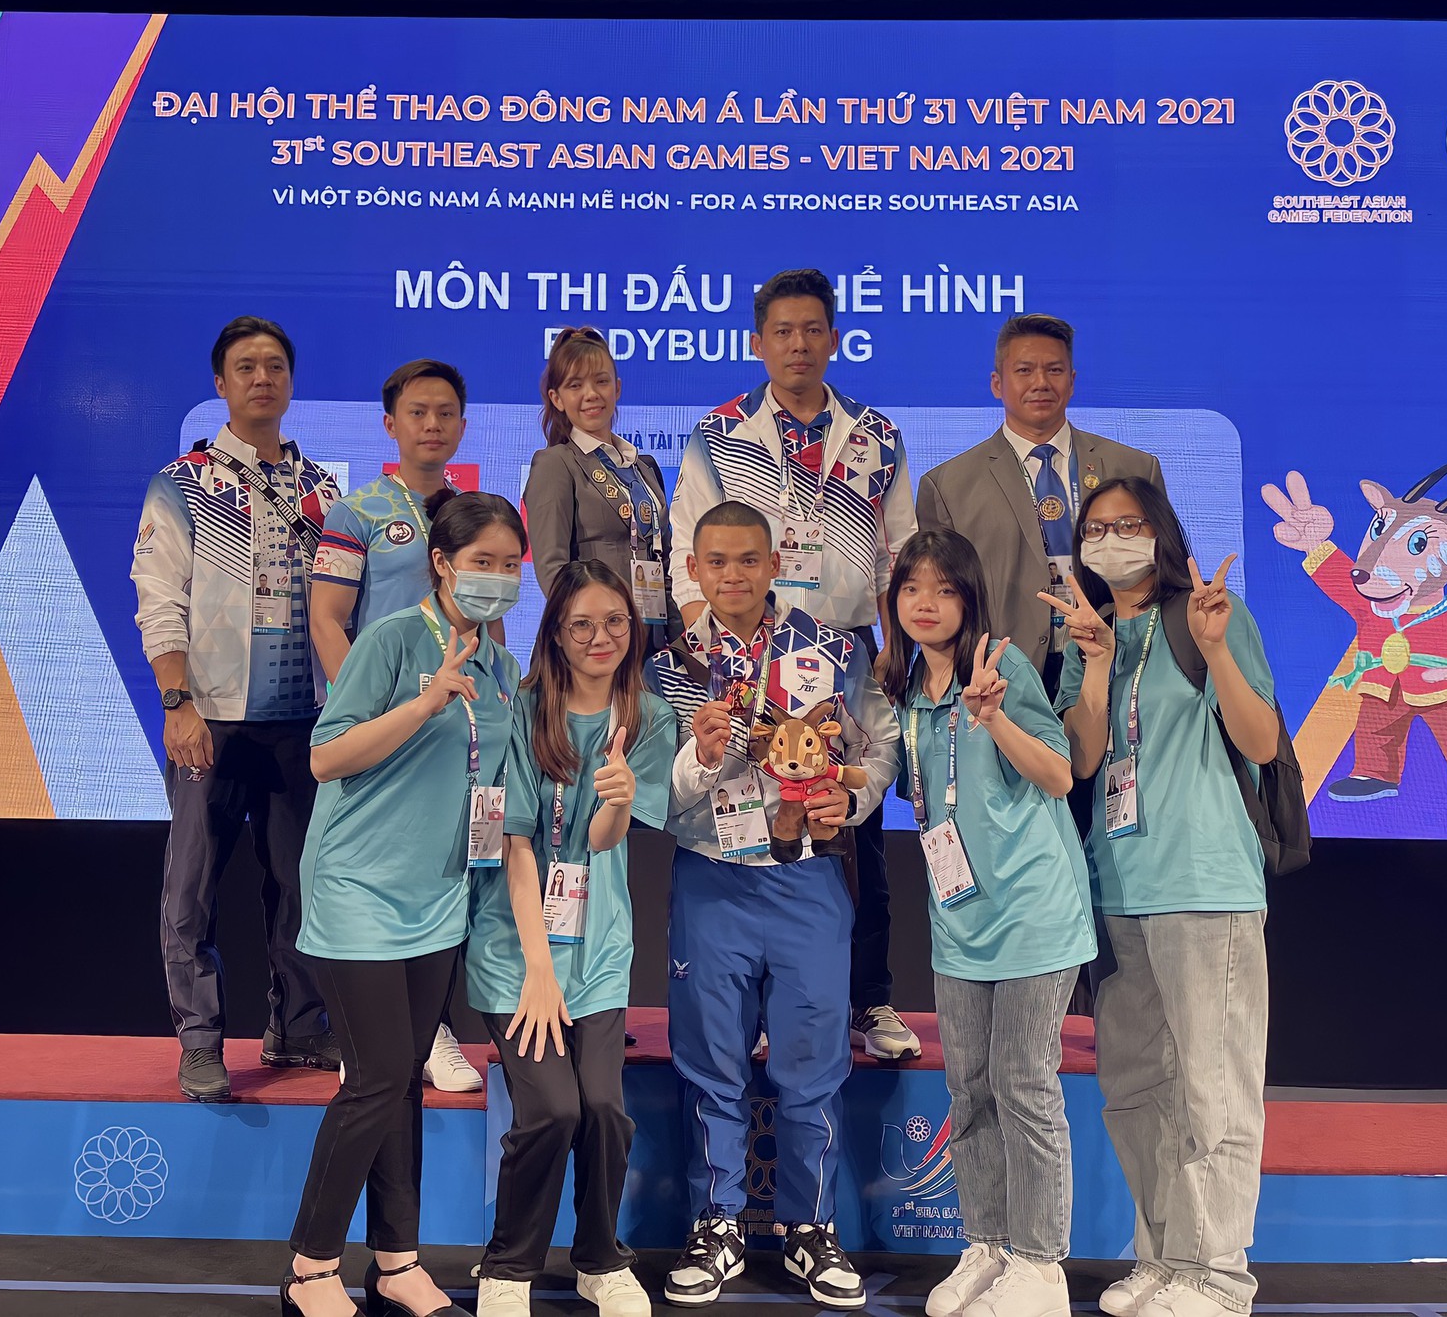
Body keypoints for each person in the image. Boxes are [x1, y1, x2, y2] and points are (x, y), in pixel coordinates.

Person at [645, 501, 900, 1310]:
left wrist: (850, 803)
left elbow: (880, 749)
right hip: (712, 877)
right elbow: (657, 792)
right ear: (694, 568)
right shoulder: (668, 666)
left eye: (748, 560)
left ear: (774, 560)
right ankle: (716, 1224)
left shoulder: (830, 649)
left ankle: (809, 1229)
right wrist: (700, 755)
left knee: (810, 1067)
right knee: (712, 1065)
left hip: (807, 881)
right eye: (716, 561)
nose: (733, 576)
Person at [284, 493, 527, 1317]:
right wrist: (423, 704)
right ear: (441, 562)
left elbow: (497, 779)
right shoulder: (391, 639)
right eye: (482, 561)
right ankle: (310, 1270)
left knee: (401, 1086)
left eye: (508, 564)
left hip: (438, 899)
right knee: (379, 1075)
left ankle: (397, 1263)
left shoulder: (503, 665)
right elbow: (326, 757)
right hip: (358, 889)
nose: (495, 578)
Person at [668, 268, 921, 1063]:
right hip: (750, 656)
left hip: (841, 660)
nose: (798, 344)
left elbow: (899, 557)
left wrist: (892, 659)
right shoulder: (719, 433)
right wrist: (719, 657)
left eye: (813, 330)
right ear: (758, 342)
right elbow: (685, 556)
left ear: (833, 338)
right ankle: (765, 1010)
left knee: (855, 836)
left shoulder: (876, 435)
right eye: (782, 331)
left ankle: (869, 1000)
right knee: (757, 829)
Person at [1050, 480, 1280, 1317]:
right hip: (1118, 883)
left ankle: (1217, 1273)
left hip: (1205, 880)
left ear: (1164, 534)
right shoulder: (1092, 632)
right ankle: (1163, 1258)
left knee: (1212, 1085)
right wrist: (1096, 664)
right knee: (1139, 1084)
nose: (1113, 540)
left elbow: (1261, 741)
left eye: (1130, 525)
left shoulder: (1211, 615)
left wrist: (1218, 651)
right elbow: (1083, 762)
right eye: (1097, 529)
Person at [875, 530, 1095, 1317]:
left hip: (1034, 912)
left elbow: (1059, 772)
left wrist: (995, 718)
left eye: (943, 588)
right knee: (967, 1089)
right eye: (910, 590)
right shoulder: (903, 694)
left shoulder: (998, 665)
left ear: (968, 599)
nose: (925, 603)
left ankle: (1041, 1265)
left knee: (1022, 1082)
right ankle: (989, 1245)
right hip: (959, 920)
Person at [133, 316, 343, 1102]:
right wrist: (177, 701)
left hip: (301, 724)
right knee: (191, 890)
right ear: (220, 384)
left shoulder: (322, 491)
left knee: (302, 885)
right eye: (246, 367)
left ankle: (299, 1028)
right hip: (211, 719)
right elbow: (158, 601)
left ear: (290, 383)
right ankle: (200, 1041)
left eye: (276, 366)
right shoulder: (181, 483)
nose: (263, 377)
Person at [467, 560, 677, 1317]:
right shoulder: (525, 713)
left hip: (598, 947)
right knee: (551, 1109)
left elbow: (601, 839)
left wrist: (617, 800)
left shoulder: (649, 717)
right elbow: (517, 843)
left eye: (615, 623)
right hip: (516, 946)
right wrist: (536, 969)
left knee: (603, 1110)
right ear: (555, 631)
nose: (600, 638)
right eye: (582, 624)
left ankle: (599, 1259)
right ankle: (508, 1268)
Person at [310, 357, 486, 1093]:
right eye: (418, 412)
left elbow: (487, 621)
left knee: (447, 875)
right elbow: (326, 616)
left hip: (453, 730)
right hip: (381, 730)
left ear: (462, 426)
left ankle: (433, 1028)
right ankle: (362, 1033)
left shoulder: (472, 513)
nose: (433, 425)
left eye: (446, 413)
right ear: (391, 424)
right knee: (372, 879)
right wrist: (374, 711)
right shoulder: (355, 514)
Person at [914, 314, 1165, 700]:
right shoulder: (948, 486)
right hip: (1004, 676)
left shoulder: (1133, 467)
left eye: (1054, 370)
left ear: (1073, 381)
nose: (1041, 383)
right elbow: (943, 601)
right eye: (1025, 370)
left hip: (1122, 661)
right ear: (997, 383)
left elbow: (1164, 569)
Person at [522, 326, 679, 649]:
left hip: (653, 639)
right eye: (575, 385)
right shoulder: (556, 464)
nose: (591, 394)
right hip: (593, 644)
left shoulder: (644, 467)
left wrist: (680, 640)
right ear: (557, 398)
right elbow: (553, 571)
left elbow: (666, 561)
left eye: (601, 381)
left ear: (617, 388)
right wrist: (593, 635)